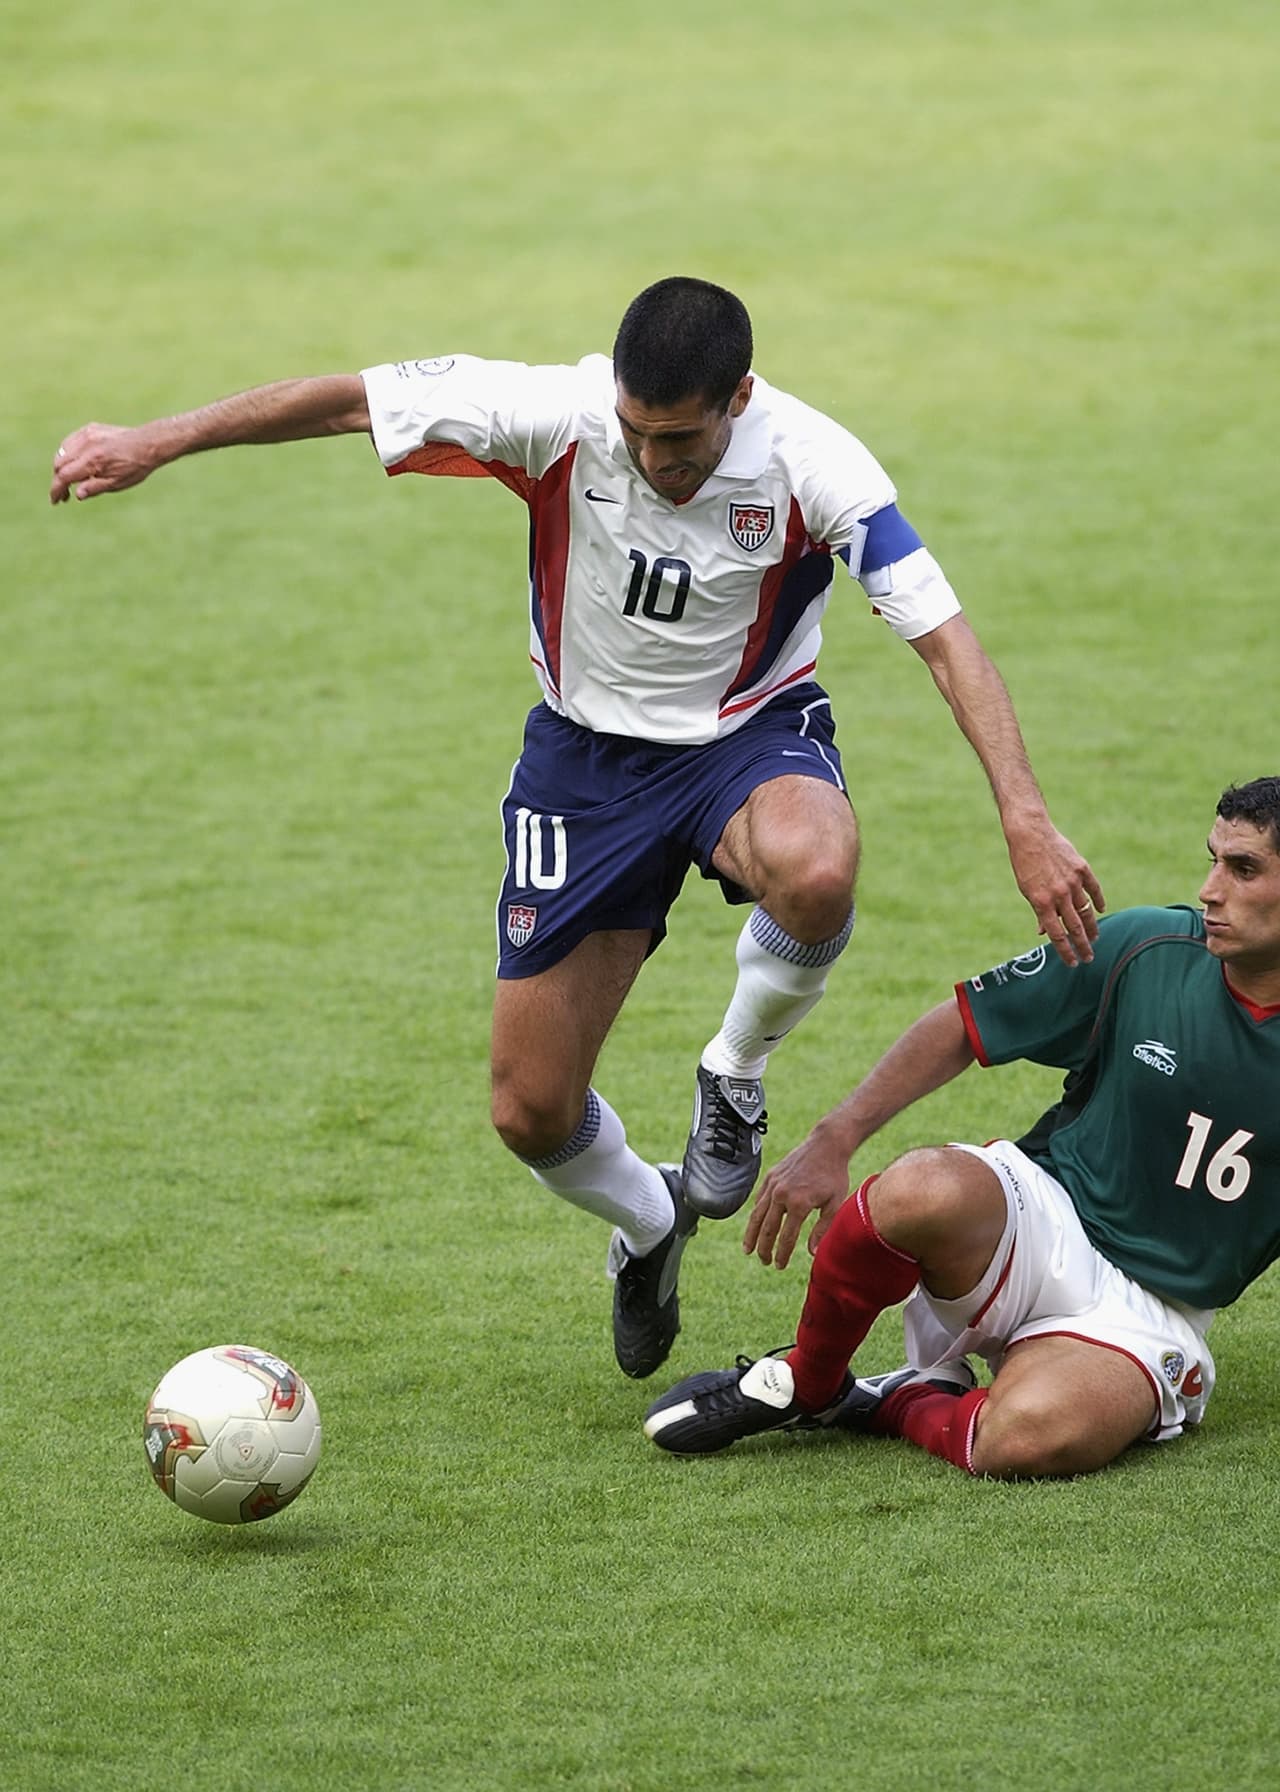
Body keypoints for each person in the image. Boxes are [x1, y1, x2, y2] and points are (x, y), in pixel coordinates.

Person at [50, 276, 1102, 1383]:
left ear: (739, 398)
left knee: (817, 867)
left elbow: (945, 639)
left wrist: (1023, 816)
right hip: (583, 765)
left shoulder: (814, 464)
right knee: (530, 1108)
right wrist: (155, 440)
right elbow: (349, 399)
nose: (653, 459)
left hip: (746, 739)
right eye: (637, 433)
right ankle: (649, 1222)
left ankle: (733, 1072)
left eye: (680, 439)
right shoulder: (556, 414)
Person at [644, 777, 1280, 1476]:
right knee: (919, 1188)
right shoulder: (1148, 949)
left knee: (1026, 1439)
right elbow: (963, 1025)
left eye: (1243, 869)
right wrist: (836, 1137)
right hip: (1043, 1214)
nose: (1210, 889)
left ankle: (896, 1399)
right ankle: (808, 1380)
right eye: (1213, 860)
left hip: (1155, 1313)